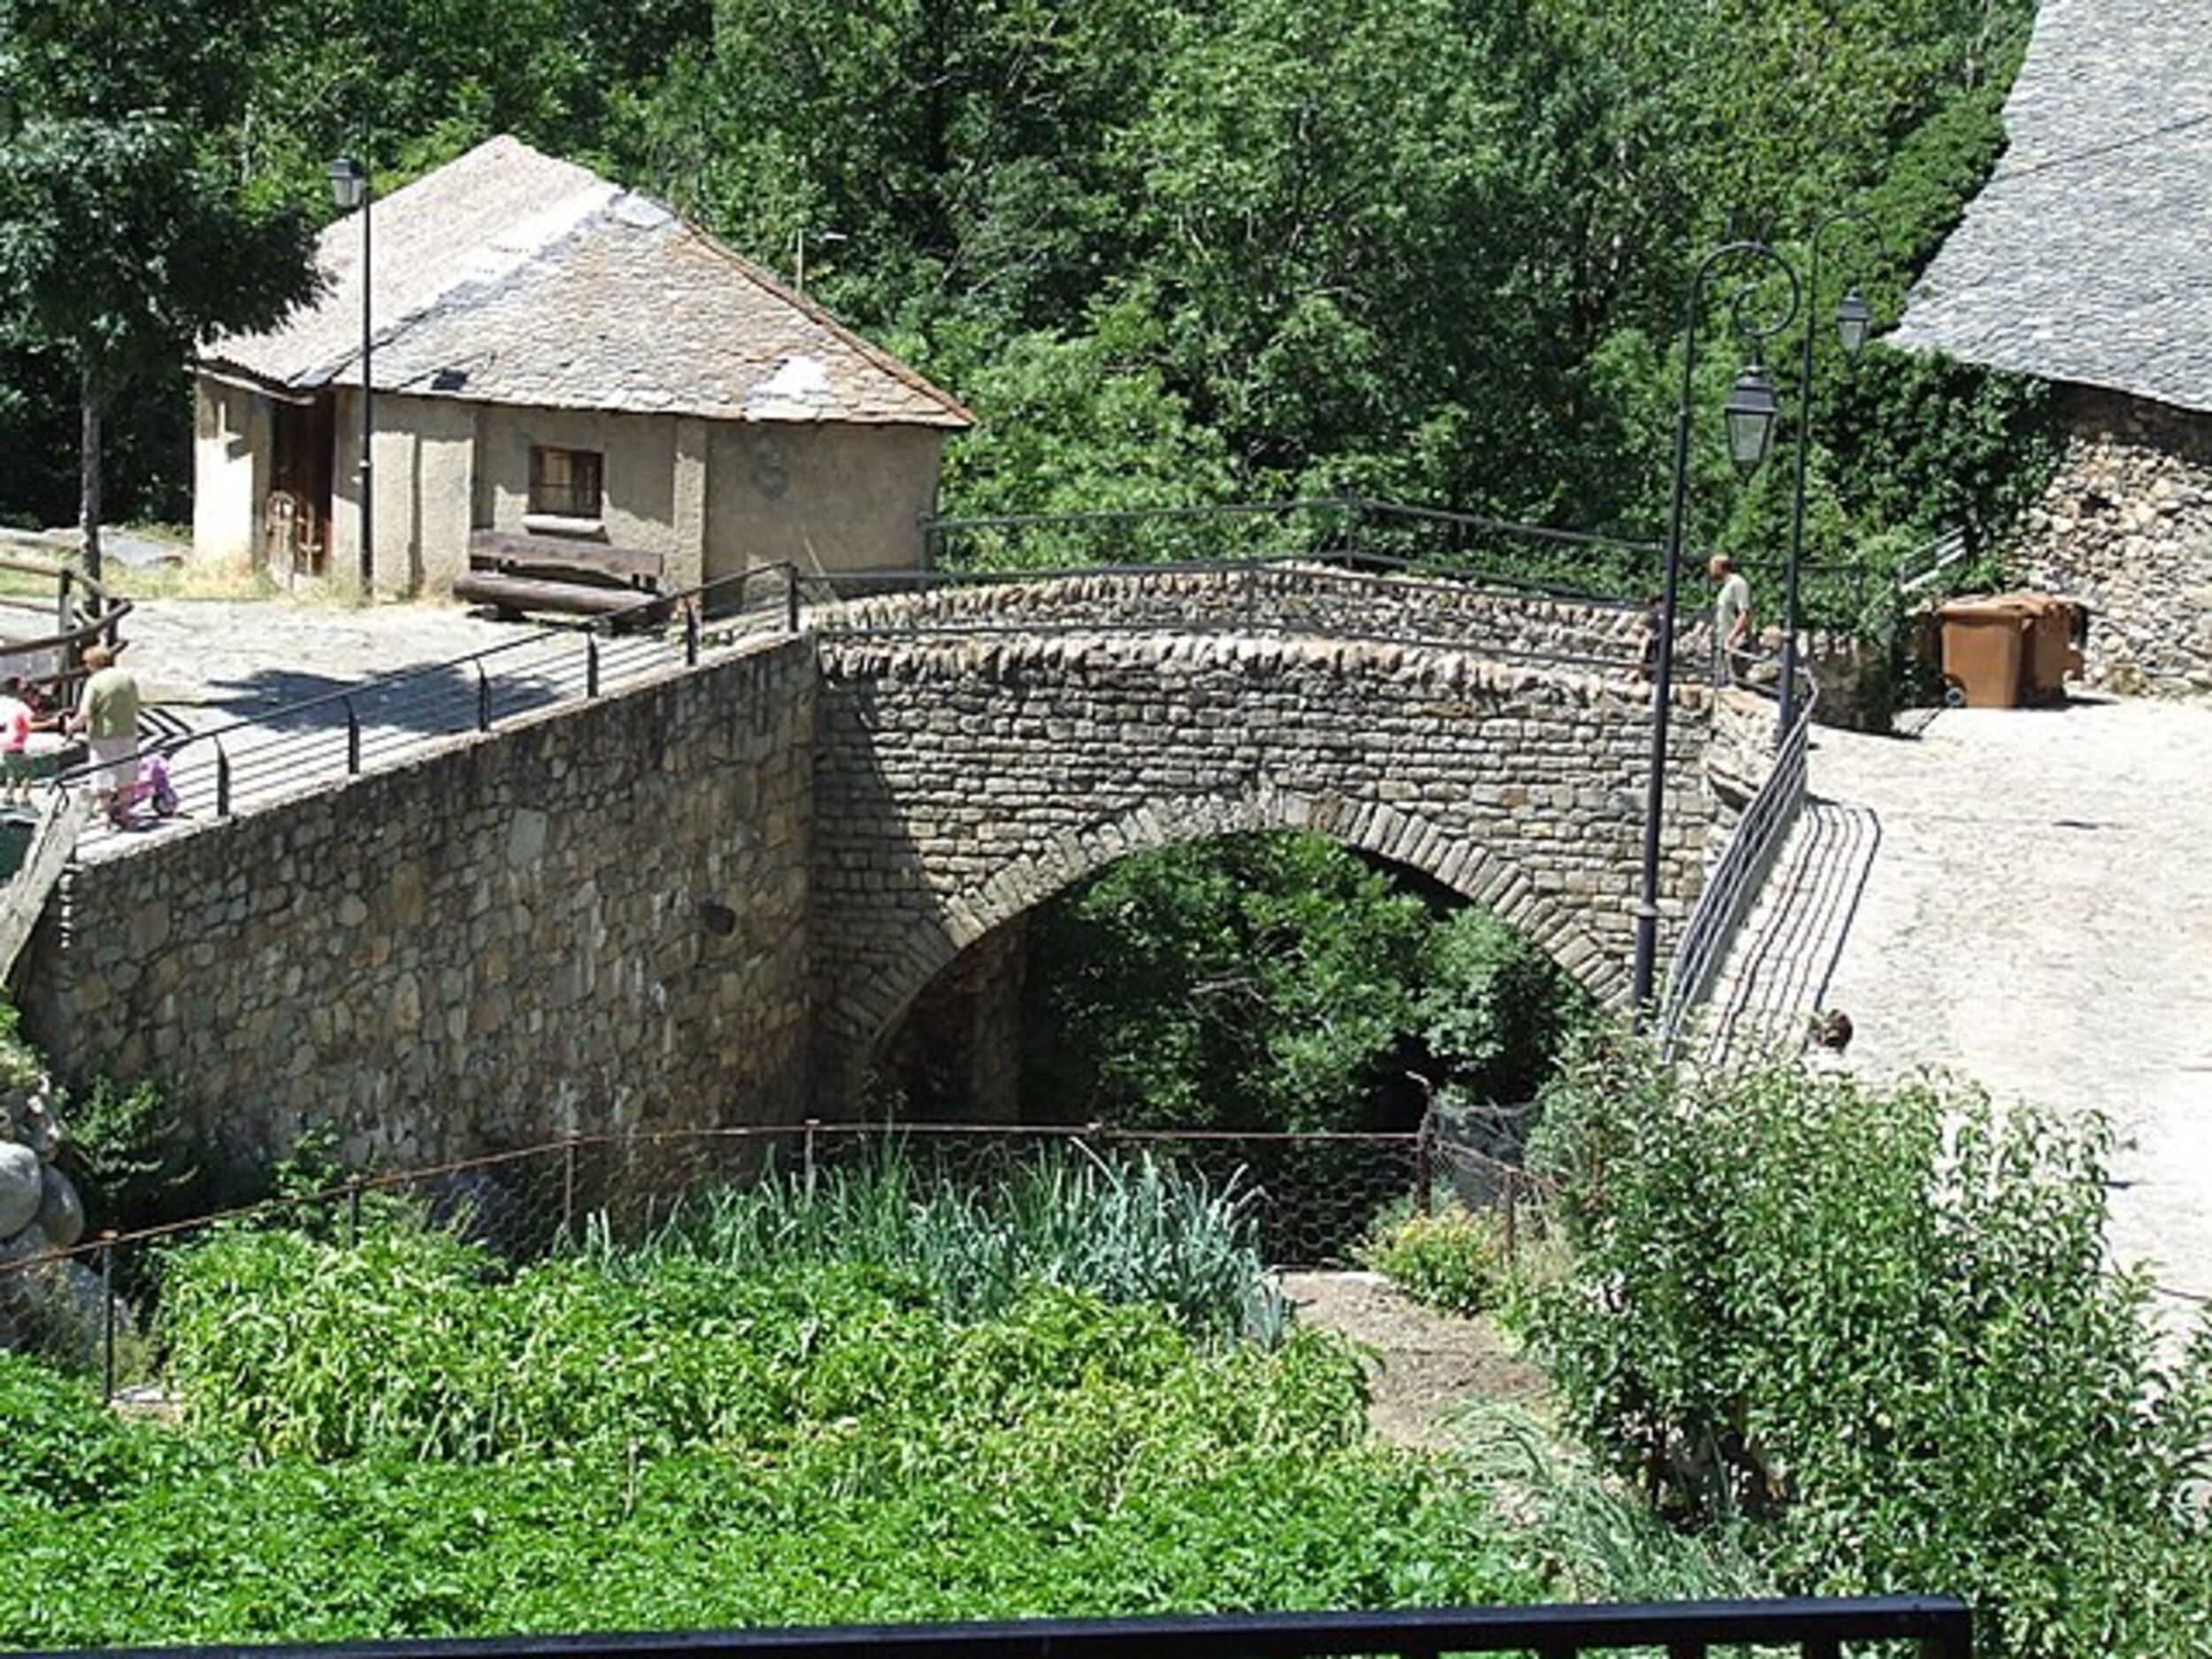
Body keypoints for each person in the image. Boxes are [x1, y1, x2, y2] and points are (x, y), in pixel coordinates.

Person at [66, 644, 141, 826]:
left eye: (86, 663)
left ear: (93, 663)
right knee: (126, 775)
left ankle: (105, 814)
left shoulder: (95, 682)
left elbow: (85, 713)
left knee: (103, 774)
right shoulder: (128, 679)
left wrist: (71, 727)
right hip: (129, 731)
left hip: (104, 735)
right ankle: (125, 813)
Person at [1709, 554, 1755, 685]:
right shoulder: (1726, 586)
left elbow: (1745, 612)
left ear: (1719, 567)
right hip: (1723, 639)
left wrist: (1733, 635)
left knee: (1736, 681)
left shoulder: (1738, 584)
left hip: (1734, 642)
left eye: (1712, 566)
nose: (1710, 570)